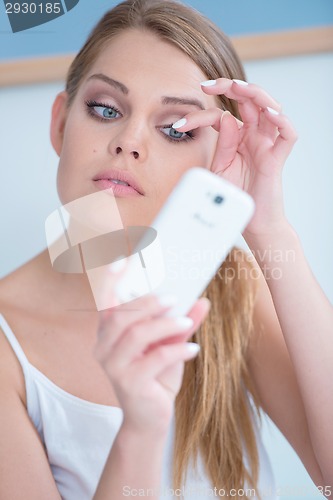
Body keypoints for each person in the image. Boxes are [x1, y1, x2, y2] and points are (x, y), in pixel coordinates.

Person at [0, 0, 332, 498]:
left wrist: (269, 229)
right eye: (106, 109)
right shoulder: (8, 347)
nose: (129, 141)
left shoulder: (232, 284)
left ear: (218, 157)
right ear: (60, 124)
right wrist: (141, 429)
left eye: (175, 128)